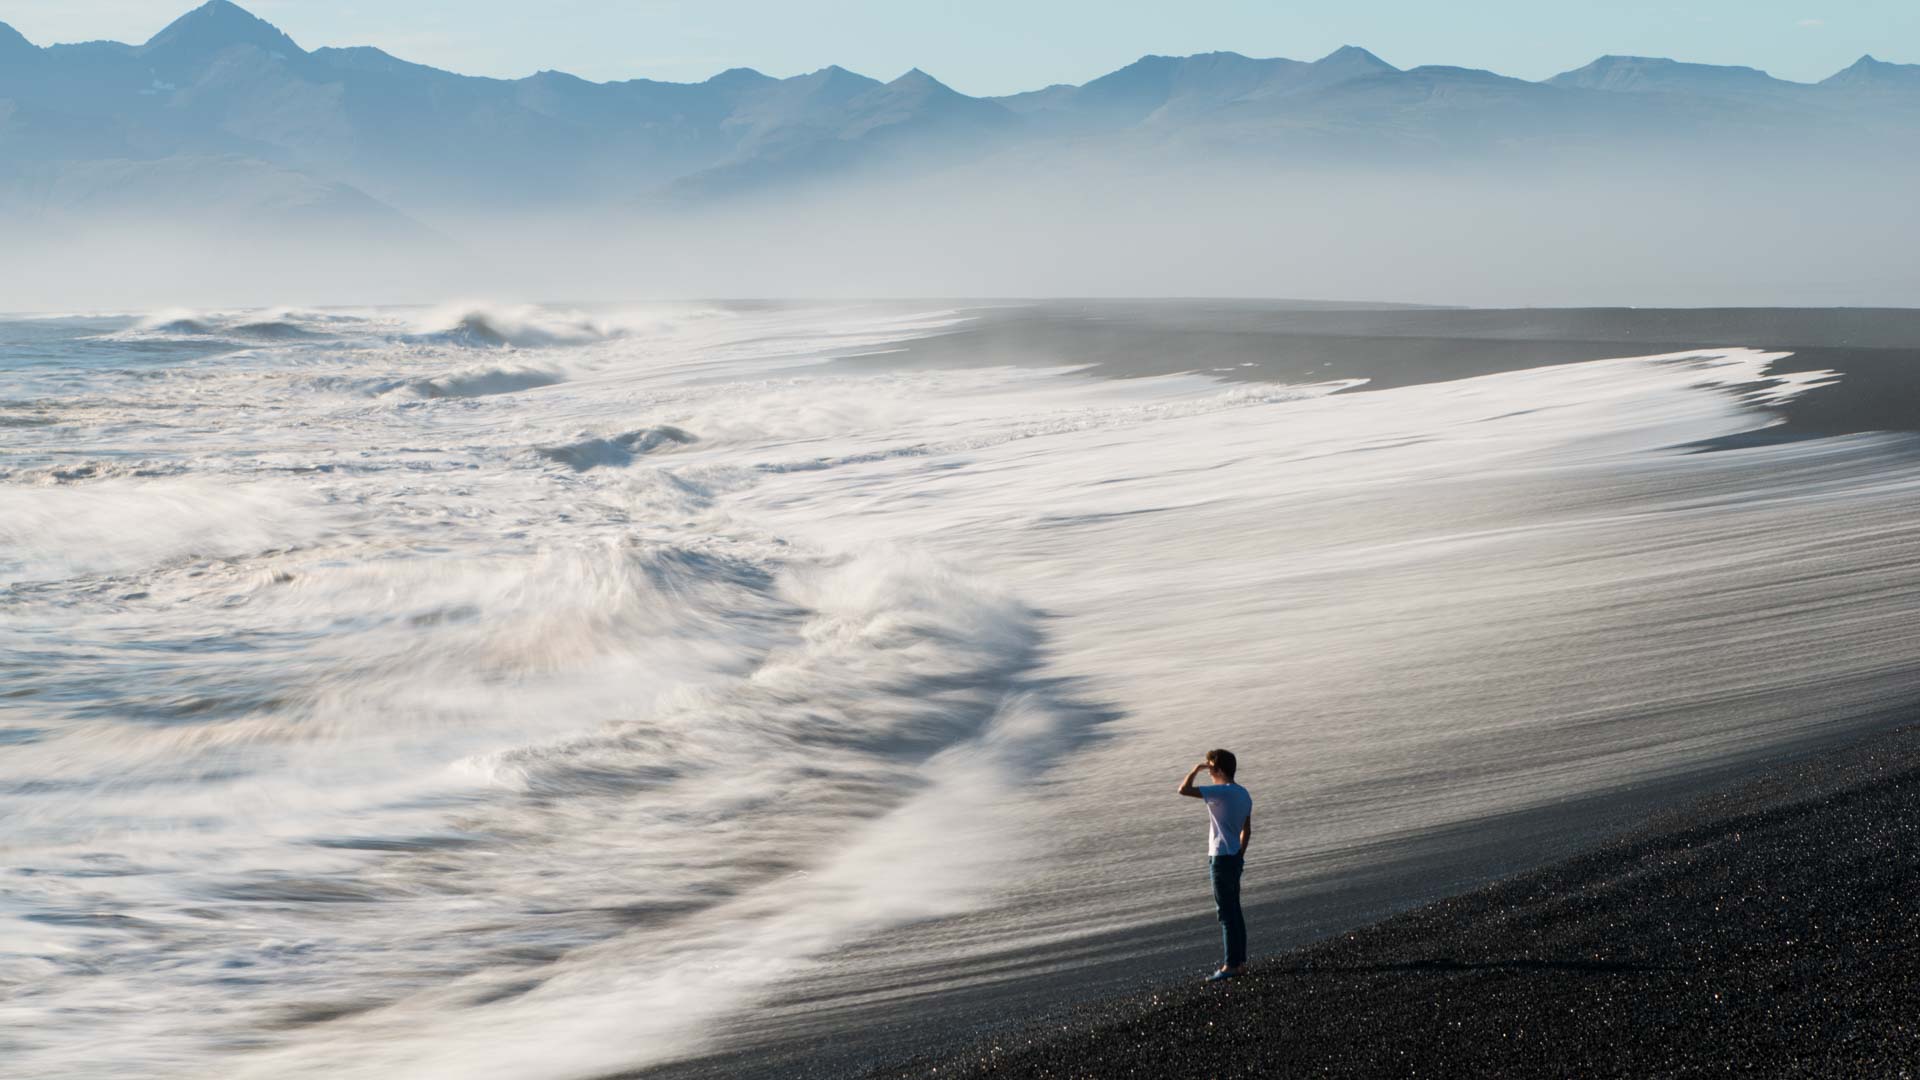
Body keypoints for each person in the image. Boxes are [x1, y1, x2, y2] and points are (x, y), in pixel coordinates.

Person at [1178, 748, 1252, 981]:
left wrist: (1195, 769)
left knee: (1226, 913)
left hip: (1220, 857)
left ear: (1218, 769)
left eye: (1210, 769)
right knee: (1235, 911)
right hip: (1234, 857)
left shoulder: (1221, 792)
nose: (1209, 773)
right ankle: (1239, 962)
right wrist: (1240, 854)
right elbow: (1246, 830)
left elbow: (1183, 790)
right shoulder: (1243, 793)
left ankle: (1231, 965)